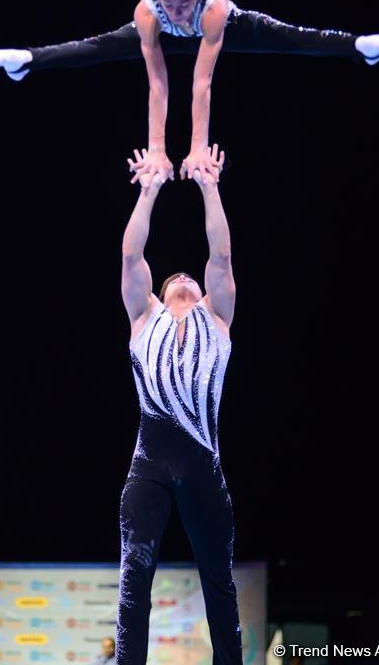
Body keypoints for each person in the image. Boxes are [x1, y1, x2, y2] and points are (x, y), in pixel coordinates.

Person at [0, 0, 379, 185]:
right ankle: (28, 62)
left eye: (182, 6)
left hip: (226, 30)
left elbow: (201, 82)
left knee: (288, 36)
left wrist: (198, 146)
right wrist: (159, 148)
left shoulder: (213, 8)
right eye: (169, 4)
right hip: (160, 41)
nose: (177, 12)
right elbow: (158, 84)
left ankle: (360, 48)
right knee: (97, 46)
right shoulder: (148, 13)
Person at [118, 144, 241, 665]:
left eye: (194, 280)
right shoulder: (143, 317)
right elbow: (130, 255)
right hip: (149, 468)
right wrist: (148, 191)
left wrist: (210, 186)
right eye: (176, 280)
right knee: (135, 576)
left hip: (203, 469)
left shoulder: (218, 317)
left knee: (219, 581)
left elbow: (222, 255)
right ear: (159, 293)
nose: (187, 278)